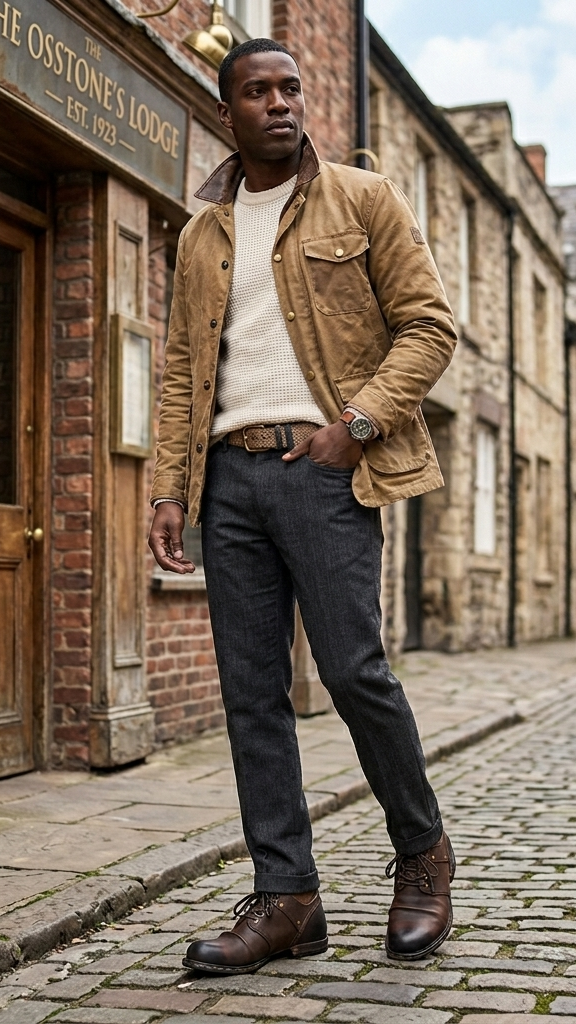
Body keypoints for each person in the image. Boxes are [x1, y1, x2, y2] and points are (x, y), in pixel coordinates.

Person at [148, 37, 458, 974]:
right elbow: (180, 372)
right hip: (229, 481)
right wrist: (169, 486)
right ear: (227, 110)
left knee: (355, 672)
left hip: (325, 466)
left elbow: (430, 324)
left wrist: (354, 424)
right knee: (251, 697)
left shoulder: (362, 198)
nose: (281, 102)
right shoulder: (202, 233)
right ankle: (288, 900)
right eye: (258, 91)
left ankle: (423, 858)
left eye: (290, 88)